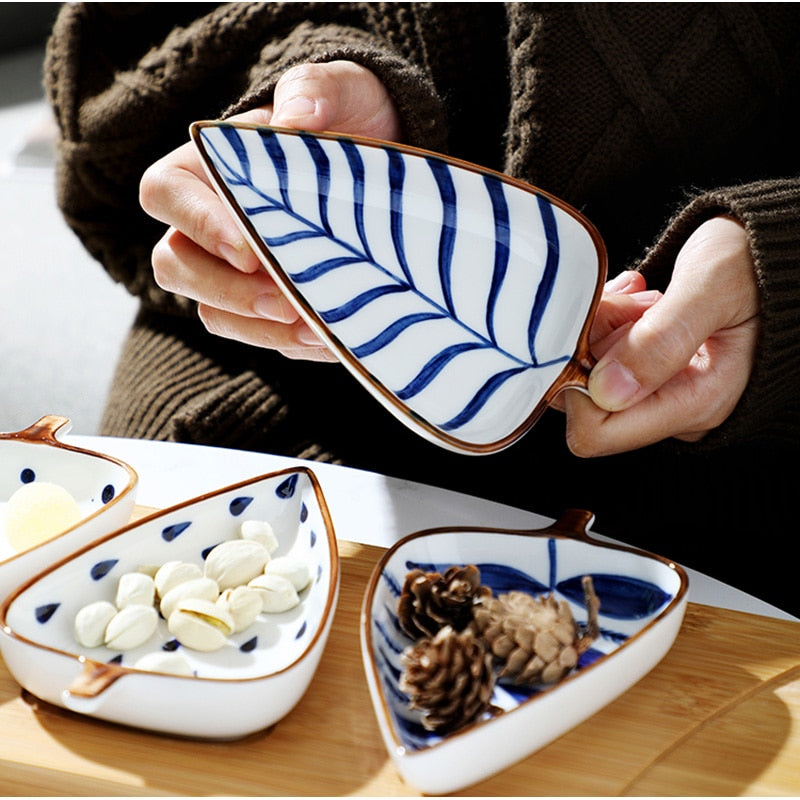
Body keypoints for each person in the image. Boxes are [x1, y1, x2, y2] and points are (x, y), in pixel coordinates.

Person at [45, 3, 800, 613]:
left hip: (748, 469)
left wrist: (783, 272)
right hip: (295, 368)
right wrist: (336, 87)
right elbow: (127, 36)